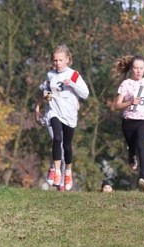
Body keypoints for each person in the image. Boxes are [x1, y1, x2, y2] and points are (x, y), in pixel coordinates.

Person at [35, 44, 90, 191]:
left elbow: (85, 94)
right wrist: (44, 100)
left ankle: (68, 172)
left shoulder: (73, 75)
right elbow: (44, 91)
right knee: (57, 139)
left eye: (60, 60)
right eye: (54, 60)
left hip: (69, 114)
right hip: (54, 111)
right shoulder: (50, 75)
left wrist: (72, 84)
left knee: (67, 145)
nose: (57, 63)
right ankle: (57, 172)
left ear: (67, 60)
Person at [111, 55, 144, 191]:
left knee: (141, 147)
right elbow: (116, 106)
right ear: (131, 69)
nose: (138, 71)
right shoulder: (126, 84)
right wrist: (130, 102)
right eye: (135, 68)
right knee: (132, 146)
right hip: (128, 121)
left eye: (141, 68)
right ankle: (131, 154)